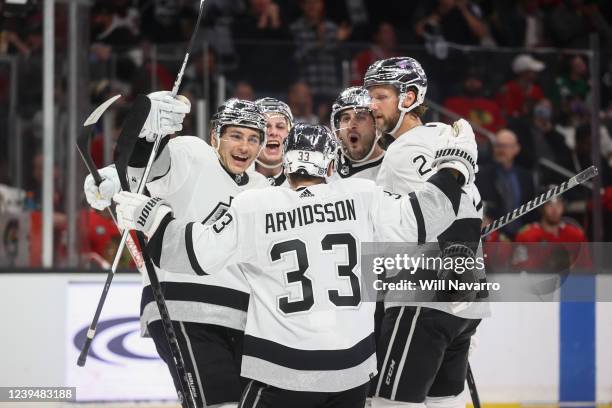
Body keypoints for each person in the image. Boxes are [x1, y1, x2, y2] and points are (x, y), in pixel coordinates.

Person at [113, 122, 478, 408]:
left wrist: (152, 216)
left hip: (281, 373)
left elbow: (192, 254)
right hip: (351, 375)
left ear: (287, 160)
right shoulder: (361, 195)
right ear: (332, 164)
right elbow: (427, 215)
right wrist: (455, 165)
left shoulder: (255, 204)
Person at [84, 94, 270, 408]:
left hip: (241, 319)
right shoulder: (193, 153)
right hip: (183, 306)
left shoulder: (262, 188)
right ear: (215, 136)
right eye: (235, 135)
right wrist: (148, 134)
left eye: (253, 139)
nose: (244, 146)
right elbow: (147, 167)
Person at [364, 56, 489, 408]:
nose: (372, 106)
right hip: (461, 303)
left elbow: (453, 209)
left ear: (409, 97)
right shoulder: (443, 141)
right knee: (444, 404)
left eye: (380, 96)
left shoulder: (410, 148)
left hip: (422, 298)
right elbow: (468, 208)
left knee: (390, 404)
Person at [476, 129, 535, 238]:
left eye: (505, 146)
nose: (500, 150)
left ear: (516, 149)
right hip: (494, 239)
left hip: (522, 238)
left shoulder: (526, 176)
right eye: (498, 146)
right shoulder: (481, 175)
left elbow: (531, 208)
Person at [329, 86, 385, 181]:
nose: (351, 125)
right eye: (346, 118)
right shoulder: (324, 164)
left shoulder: (393, 166)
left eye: (360, 117)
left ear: (376, 124)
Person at [253, 97, 294, 187]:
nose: (273, 132)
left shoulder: (302, 183)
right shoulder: (234, 180)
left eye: (280, 127)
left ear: (290, 134)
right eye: (265, 126)